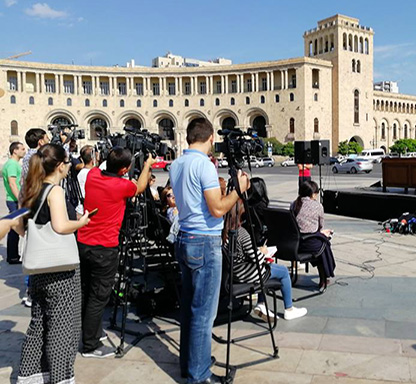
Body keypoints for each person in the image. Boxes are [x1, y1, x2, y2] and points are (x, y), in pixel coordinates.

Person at [169, 118, 249, 384]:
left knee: (190, 310)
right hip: (204, 241)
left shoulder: (177, 163)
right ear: (211, 137)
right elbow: (217, 209)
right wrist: (239, 190)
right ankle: (199, 375)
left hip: (185, 237)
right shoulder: (203, 165)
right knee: (204, 313)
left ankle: (191, 363)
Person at [15, 143, 90, 384]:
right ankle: (60, 378)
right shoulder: (54, 191)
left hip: (38, 269)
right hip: (62, 270)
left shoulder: (30, 188)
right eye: (67, 163)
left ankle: (29, 377)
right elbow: (61, 226)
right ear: (58, 166)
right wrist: (82, 222)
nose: (69, 167)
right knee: (63, 328)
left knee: (38, 325)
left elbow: (17, 225)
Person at [77, 147, 155, 358]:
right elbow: (140, 187)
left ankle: (88, 332)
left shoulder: (93, 175)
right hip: (104, 247)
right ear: (124, 169)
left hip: (83, 243)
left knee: (86, 291)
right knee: (98, 296)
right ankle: (90, 345)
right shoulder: (121, 186)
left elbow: (98, 166)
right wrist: (147, 164)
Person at [223, 200, 307, 321]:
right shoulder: (242, 233)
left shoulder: (225, 232)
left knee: (267, 267)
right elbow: (255, 258)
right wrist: (263, 252)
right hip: (247, 273)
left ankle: (261, 304)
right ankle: (289, 309)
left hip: (234, 273)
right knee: (283, 271)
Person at [291, 180, 336, 292]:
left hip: (295, 243)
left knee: (321, 244)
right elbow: (320, 227)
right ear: (313, 194)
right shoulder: (318, 206)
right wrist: (324, 233)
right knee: (324, 245)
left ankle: (324, 278)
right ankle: (324, 277)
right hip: (308, 243)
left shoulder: (294, 204)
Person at [3, 141, 26, 264]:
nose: (24, 151)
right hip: (14, 200)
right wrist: (20, 199)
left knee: (15, 227)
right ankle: (12, 256)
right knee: (15, 227)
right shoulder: (12, 165)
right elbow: (12, 183)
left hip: (13, 199)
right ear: (15, 151)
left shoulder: (12, 164)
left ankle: (13, 255)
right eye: (22, 149)